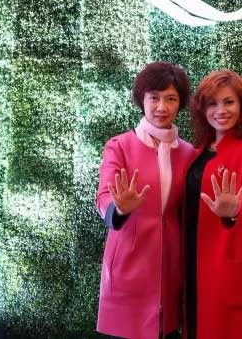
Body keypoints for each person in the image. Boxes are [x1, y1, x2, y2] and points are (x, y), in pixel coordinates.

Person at [95, 62, 196, 339]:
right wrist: (119, 208)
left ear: (180, 103)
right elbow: (104, 196)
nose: (161, 107)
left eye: (171, 99)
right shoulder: (120, 145)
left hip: (171, 261)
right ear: (142, 100)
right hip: (130, 256)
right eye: (154, 98)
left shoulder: (189, 153)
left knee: (166, 330)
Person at [184, 70, 242, 339]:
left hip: (226, 263)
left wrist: (236, 211)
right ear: (202, 109)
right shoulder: (196, 151)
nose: (221, 110)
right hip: (191, 262)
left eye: (229, 102)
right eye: (213, 103)